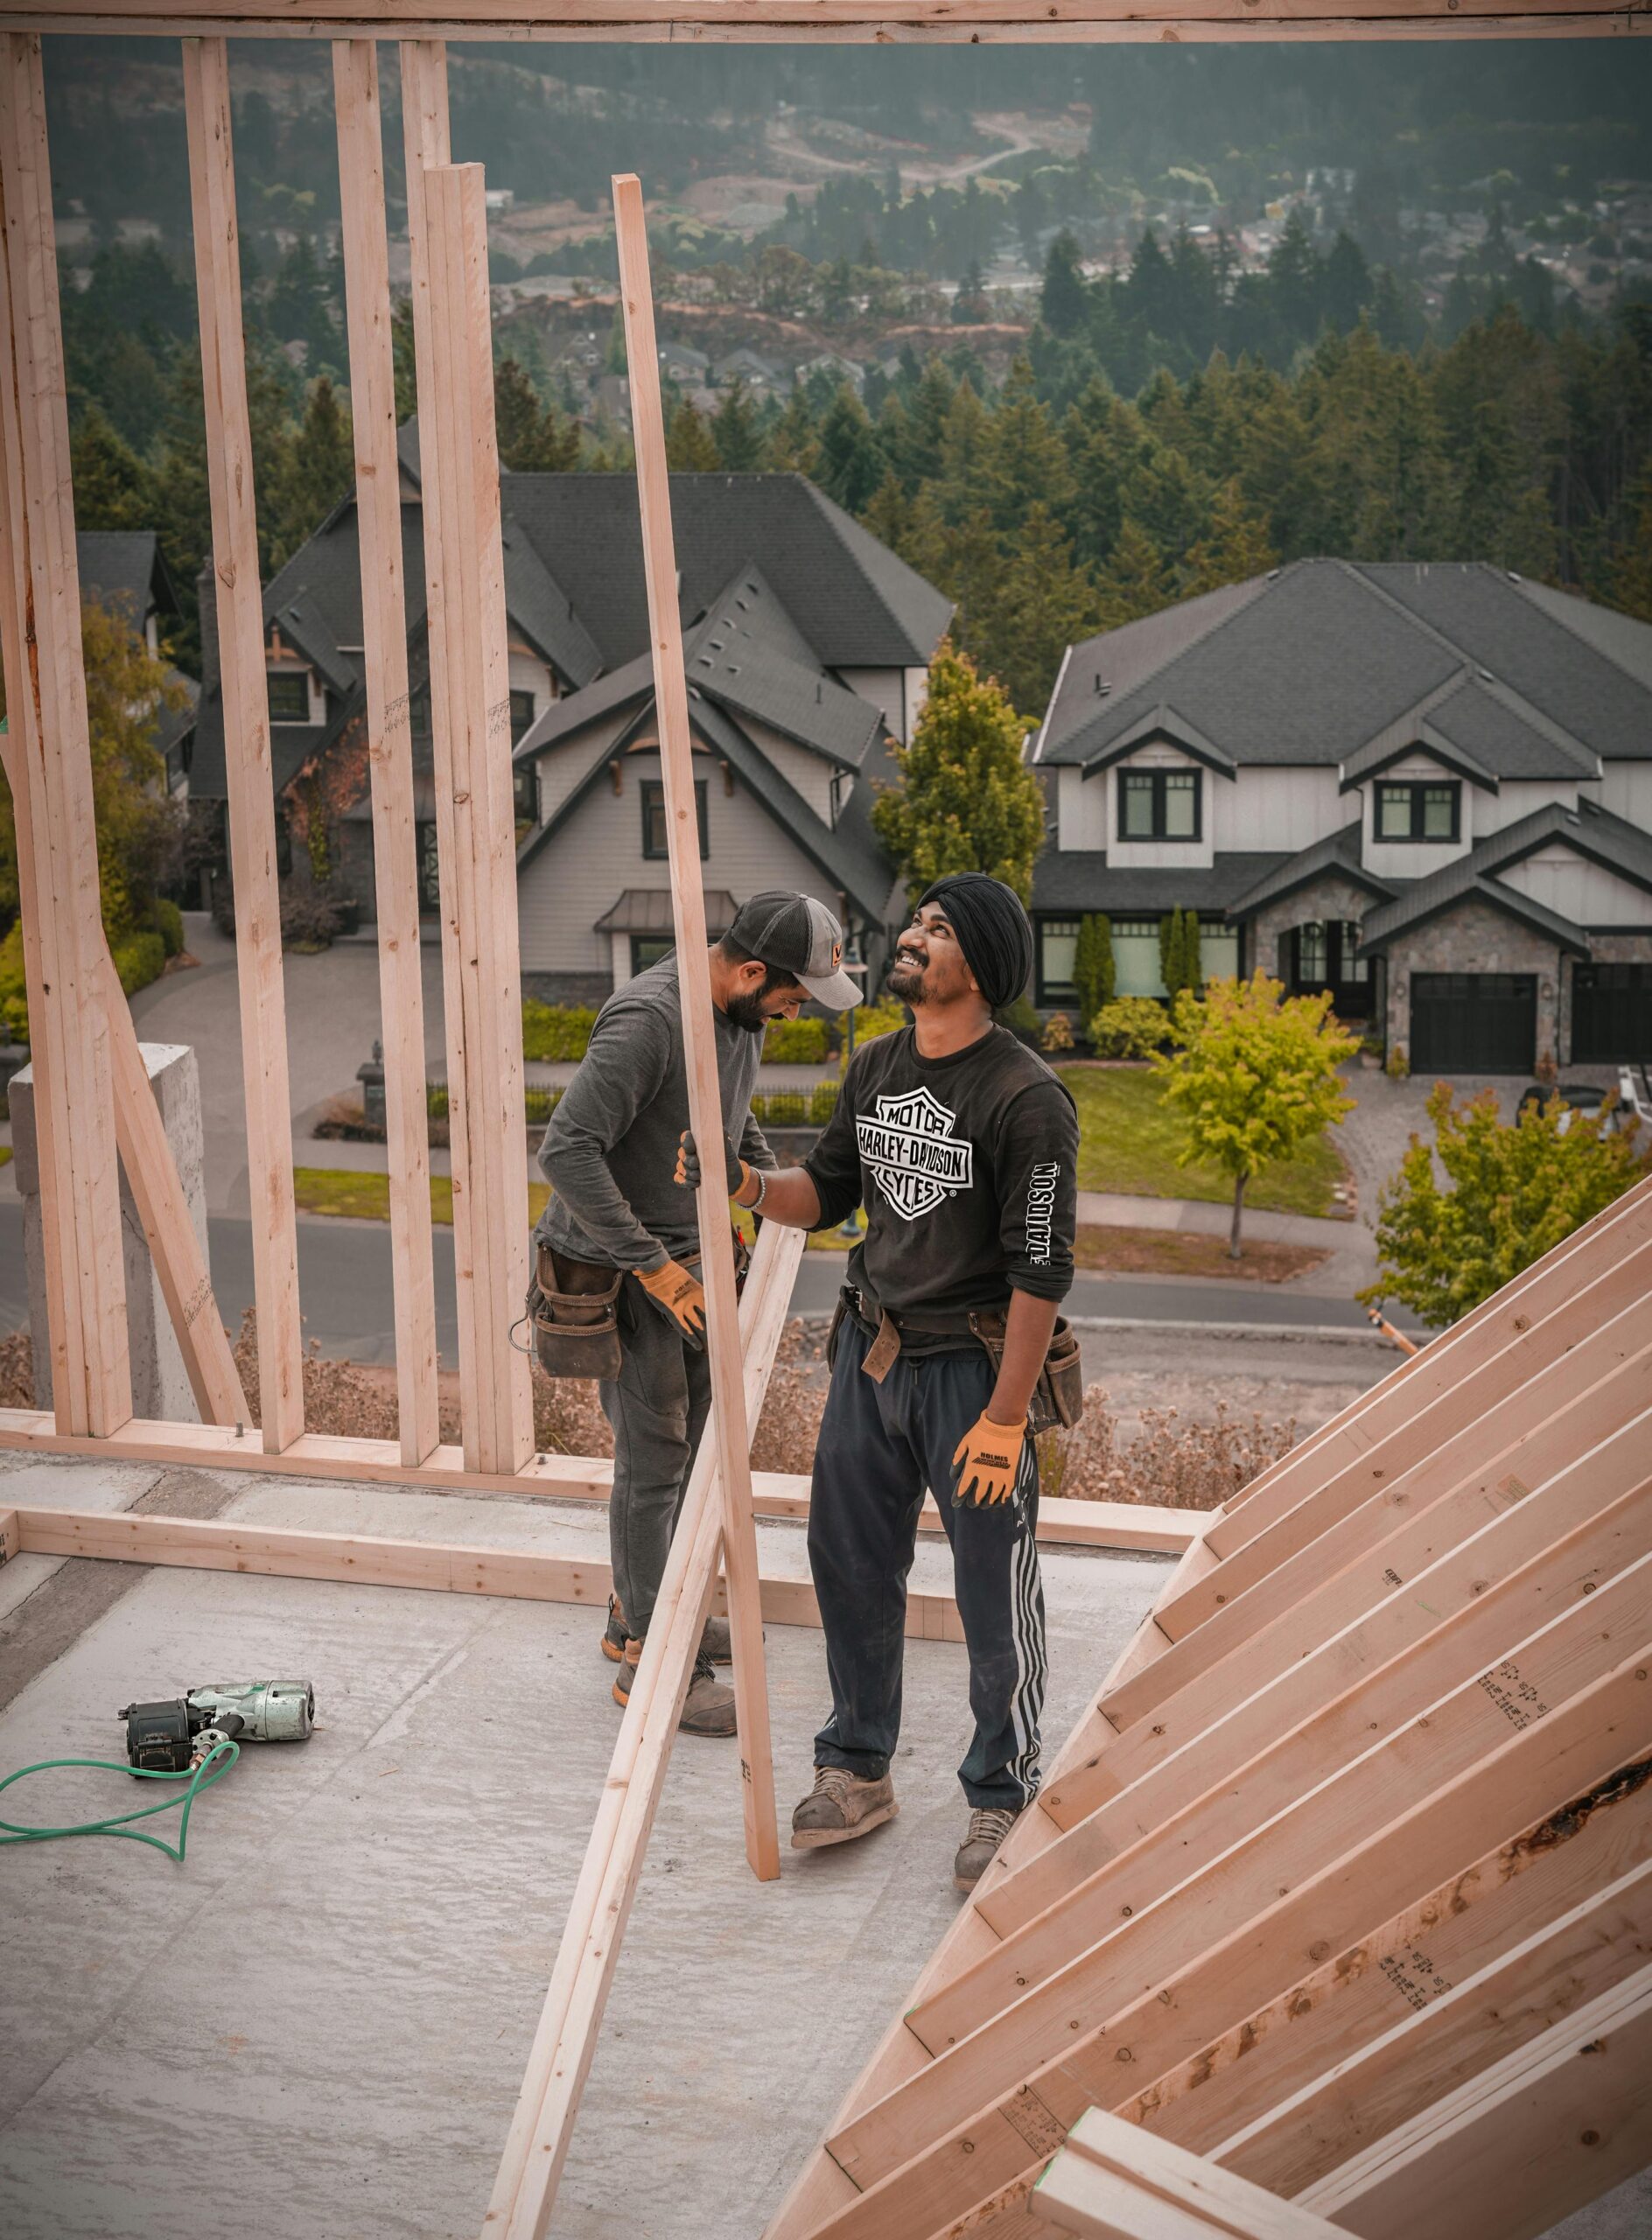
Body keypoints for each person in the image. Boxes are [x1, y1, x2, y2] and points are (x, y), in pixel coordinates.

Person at [676, 873, 1077, 1885]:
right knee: (848, 1565)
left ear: (978, 968)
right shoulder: (878, 1063)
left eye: (937, 931)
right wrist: (744, 1184)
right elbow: (830, 1195)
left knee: (993, 1587)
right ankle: (857, 1766)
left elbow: (1041, 1268)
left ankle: (1000, 1790)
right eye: (917, 921)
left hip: (972, 1373)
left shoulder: (1024, 1098)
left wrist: (1005, 1417)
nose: (910, 937)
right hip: (872, 1353)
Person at [536, 892, 861, 1736]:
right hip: (624, 1267)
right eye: (794, 997)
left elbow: (724, 1109)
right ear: (753, 971)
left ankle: (638, 1606)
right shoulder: (651, 1020)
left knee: (692, 1445)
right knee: (654, 1458)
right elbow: (564, 1149)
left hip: (690, 1258)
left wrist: (762, 1183)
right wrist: (652, 1266)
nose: (796, 1015)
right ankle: (651, 1654)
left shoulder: (739, 1018)